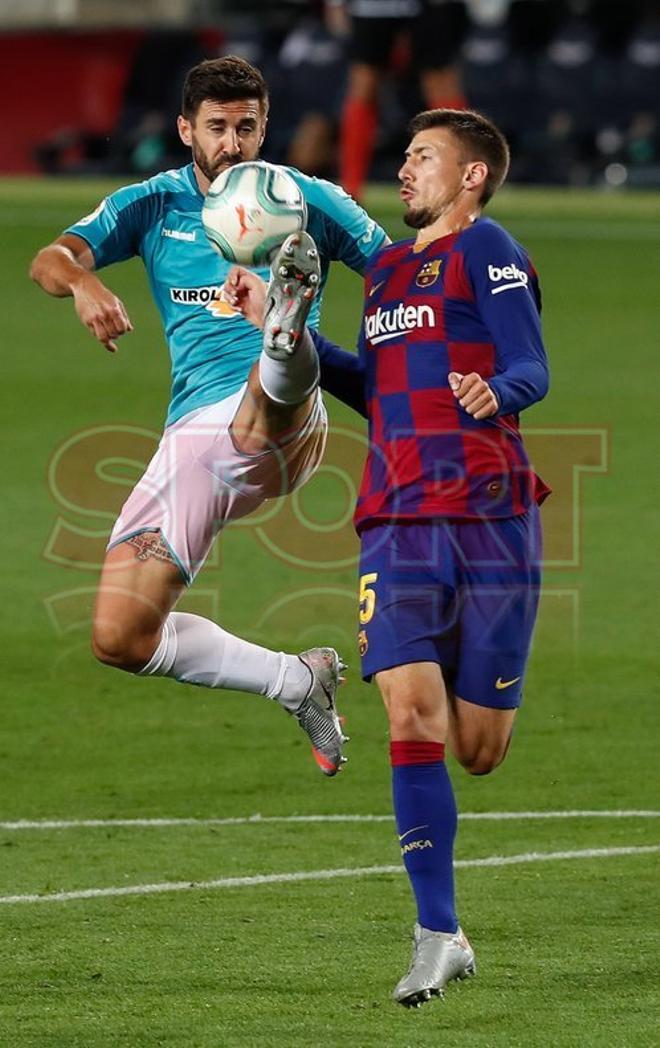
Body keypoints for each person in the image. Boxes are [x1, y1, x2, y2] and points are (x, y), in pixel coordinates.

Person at [228, 107, 550, 1005]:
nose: (403, 170)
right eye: (403, 157)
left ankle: (444, 924)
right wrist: (283, 327)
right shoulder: (386, 278)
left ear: (472, 175)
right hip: (398, 517)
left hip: (490, 513)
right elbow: (378, 389)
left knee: (478, 749)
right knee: (411, 714)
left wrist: (497, 389)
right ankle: (436, 932)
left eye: (423, 158)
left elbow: (532, 364)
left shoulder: (487, 251)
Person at [29, 56, 389, 778]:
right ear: (186, 128)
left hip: (285, 421)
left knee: (263, 400)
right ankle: (297, 680)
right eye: (218, 127)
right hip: (194, 443)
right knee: (121, 636)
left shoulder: (309, 198)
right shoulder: (154, 205)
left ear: (265, 128)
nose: (234, 142)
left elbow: (398, 273)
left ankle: (283, 330)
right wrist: (85, 285)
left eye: (248, 126)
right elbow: (50, 259)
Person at [336, 0, 468, 199]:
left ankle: (461, 182)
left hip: (426, 7)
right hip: (373, 7)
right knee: (364, 85)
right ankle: (351, 189)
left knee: (440, 83)